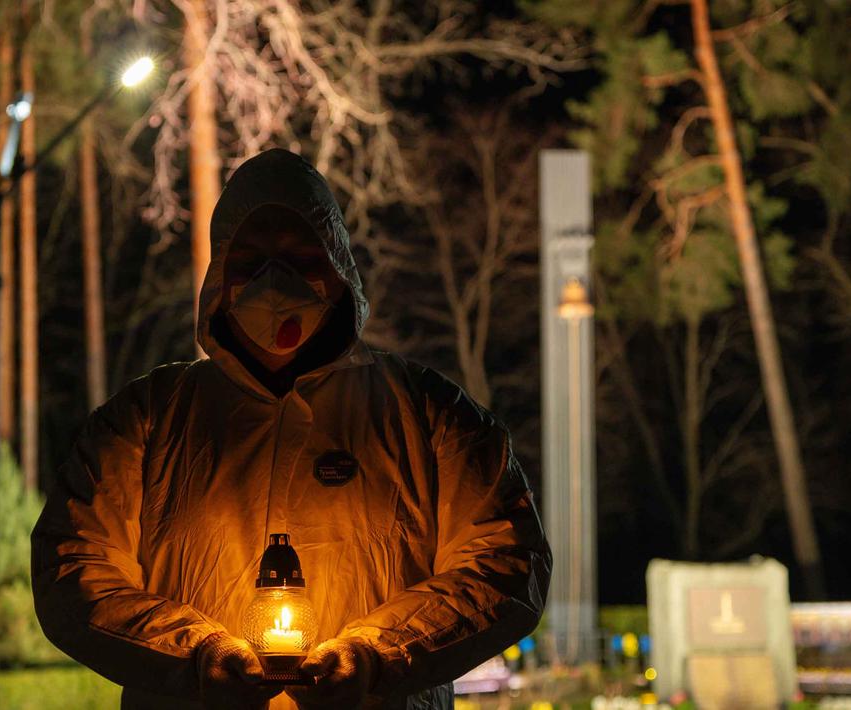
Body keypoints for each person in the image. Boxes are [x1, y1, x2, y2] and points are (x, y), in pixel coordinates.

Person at [31, 148, 551, 710]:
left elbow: (506, 561)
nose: (273, 279)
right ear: (220, 274)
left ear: (336, 264)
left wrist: (376, 656)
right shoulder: (150, 418)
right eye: (251, 258)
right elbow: (74, 567)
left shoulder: (427, 414)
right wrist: (195, 656)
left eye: (299, 255)